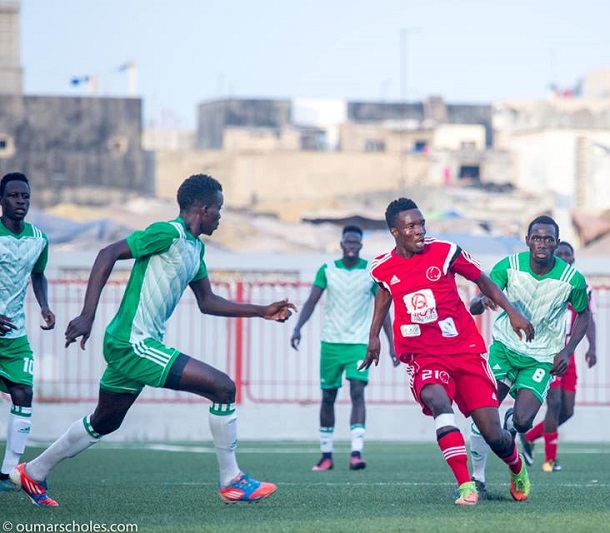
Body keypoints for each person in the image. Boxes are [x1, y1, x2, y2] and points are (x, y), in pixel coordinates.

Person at [10, 174, 296, 507]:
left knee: (105, 421)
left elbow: (207, 301)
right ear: (203, 209)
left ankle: (34, 470)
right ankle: (231, 480)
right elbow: (108, 253)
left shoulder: (195, 247)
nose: (221, 216)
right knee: (223, 388)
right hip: (134, 342)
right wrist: (88, 314)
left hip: (132, 344)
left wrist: (261, 310)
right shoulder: (167, 233)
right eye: (218, 209)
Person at [359, 197, 534, 506]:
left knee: (493, 434)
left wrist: (512, 312)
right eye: (411, 226)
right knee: (438, 402)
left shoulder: (445, 252)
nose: (419, 231)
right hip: (422, 355)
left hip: (464, 351)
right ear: (394, 232)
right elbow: (384, 295)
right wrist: (374, 337)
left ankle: (516, 467)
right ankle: (466, 485)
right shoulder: (382, 267)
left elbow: (482, 280)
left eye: (421, 223)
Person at [467, 216, 591, 493]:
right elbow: (478, 301)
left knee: (523, 422)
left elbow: (584, 315)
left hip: (541, 357)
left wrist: (568, 351)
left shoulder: (572, 279)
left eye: (549, 239)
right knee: (482, 411)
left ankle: (512, 424)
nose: (542, 243)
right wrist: (480, 301)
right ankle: (477, 480)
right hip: (504, 350)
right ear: (527, 241)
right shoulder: (508, 267)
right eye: (537, 238)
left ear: (557, 243)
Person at [290, 225, 397, 472]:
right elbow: (311, 302)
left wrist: (391, 344)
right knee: (328, 396)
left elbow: (383, 309)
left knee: (358, 392)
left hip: (359, 342)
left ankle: (356, 453)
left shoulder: (370, 273)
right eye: (347, 242)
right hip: (331, 343)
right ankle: (326, 455)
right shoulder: (327, 270)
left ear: (360, 246)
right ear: (341, 244)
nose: (351, 246)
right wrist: (298, 328)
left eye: (355, 243)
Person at [519, 241, 597, 471]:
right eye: (559, 253)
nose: (563, 257)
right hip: (546, 353)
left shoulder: (582, 286)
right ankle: (551, 460)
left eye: (567, 254)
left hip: (567, 354)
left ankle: (530, 436)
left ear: (573, 259)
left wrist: (593, 347)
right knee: (553, 403)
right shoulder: (544, 281)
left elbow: (588, 318)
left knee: (568, 410)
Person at [0, 173, 56, 493]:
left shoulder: (39, 239)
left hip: (16, 336)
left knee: (23, 393)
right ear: (2, 200)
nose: (20, 202)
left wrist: (45, 306)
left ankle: (9, 472)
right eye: (14, 196)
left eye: (25, 196)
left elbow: (39, 274)